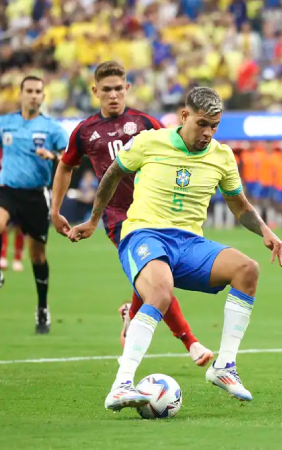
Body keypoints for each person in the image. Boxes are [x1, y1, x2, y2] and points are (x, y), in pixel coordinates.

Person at [67, 87, 282, 411]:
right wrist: (93, 220)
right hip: (144, 234)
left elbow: (239, 205)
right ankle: (121, 384)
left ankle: (224, 366)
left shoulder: (222, 156)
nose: (208, 133)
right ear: (184, 116)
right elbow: (112, 175)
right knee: (160, 289)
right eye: (202, 124)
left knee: (247, 269)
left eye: (215, 125)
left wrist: (265, 230)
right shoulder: (150, 142)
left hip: (189, 244)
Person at [51, 62, 213, 366]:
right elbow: (65, 166)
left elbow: (176, 151)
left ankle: (132, 313)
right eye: (106, 89)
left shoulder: (145, 122)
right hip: (118, 219)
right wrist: (55, 209)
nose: (113, 95)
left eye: (118, 88)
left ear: (127, 89)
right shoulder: (85, 131)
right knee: (159, 279)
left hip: (155, 213)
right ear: (95, 91)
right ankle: (191, 342)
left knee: (154, 277)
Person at [0, 76, 69, 334]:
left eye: (38, 91)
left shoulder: (52, 128)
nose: (34, 95)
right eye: (29, 91)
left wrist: (54, 156)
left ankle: (42, 308)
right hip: (8, 190)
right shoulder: (5, 123)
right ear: (21, 93)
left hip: (36, 196)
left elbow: (72, 159)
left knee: (37, 256)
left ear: (43, 96)